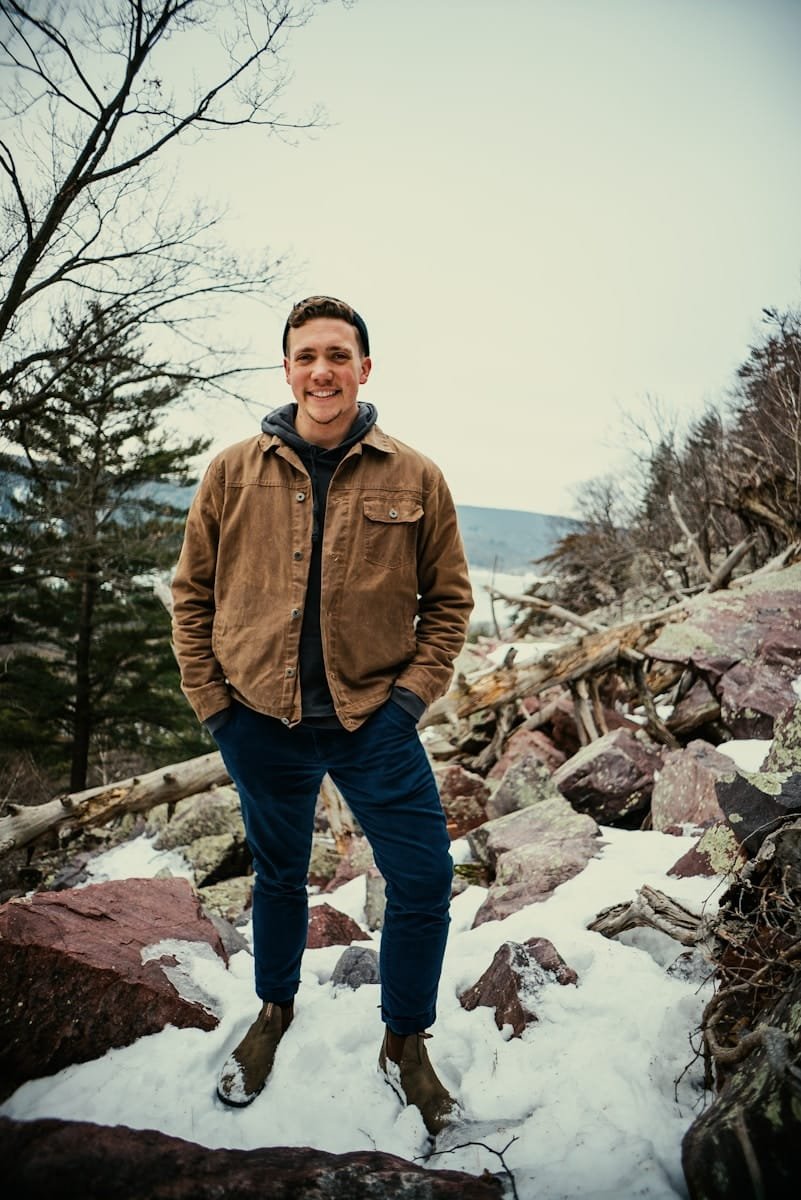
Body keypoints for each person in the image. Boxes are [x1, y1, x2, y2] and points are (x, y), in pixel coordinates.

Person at [171, 295, 473, 1135]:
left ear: (364, 369)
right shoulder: (233, 471)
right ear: (287, 369)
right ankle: (273, 1011)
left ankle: (405, 1040)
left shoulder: (415, 476)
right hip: (257, 721)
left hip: (373, 719)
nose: (322, 370)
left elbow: (448, 603)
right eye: (307, 355)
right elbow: (191, 595)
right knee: (277, 875)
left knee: (421, 881)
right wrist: (214, 705)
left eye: (338, 355)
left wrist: (409, 700)